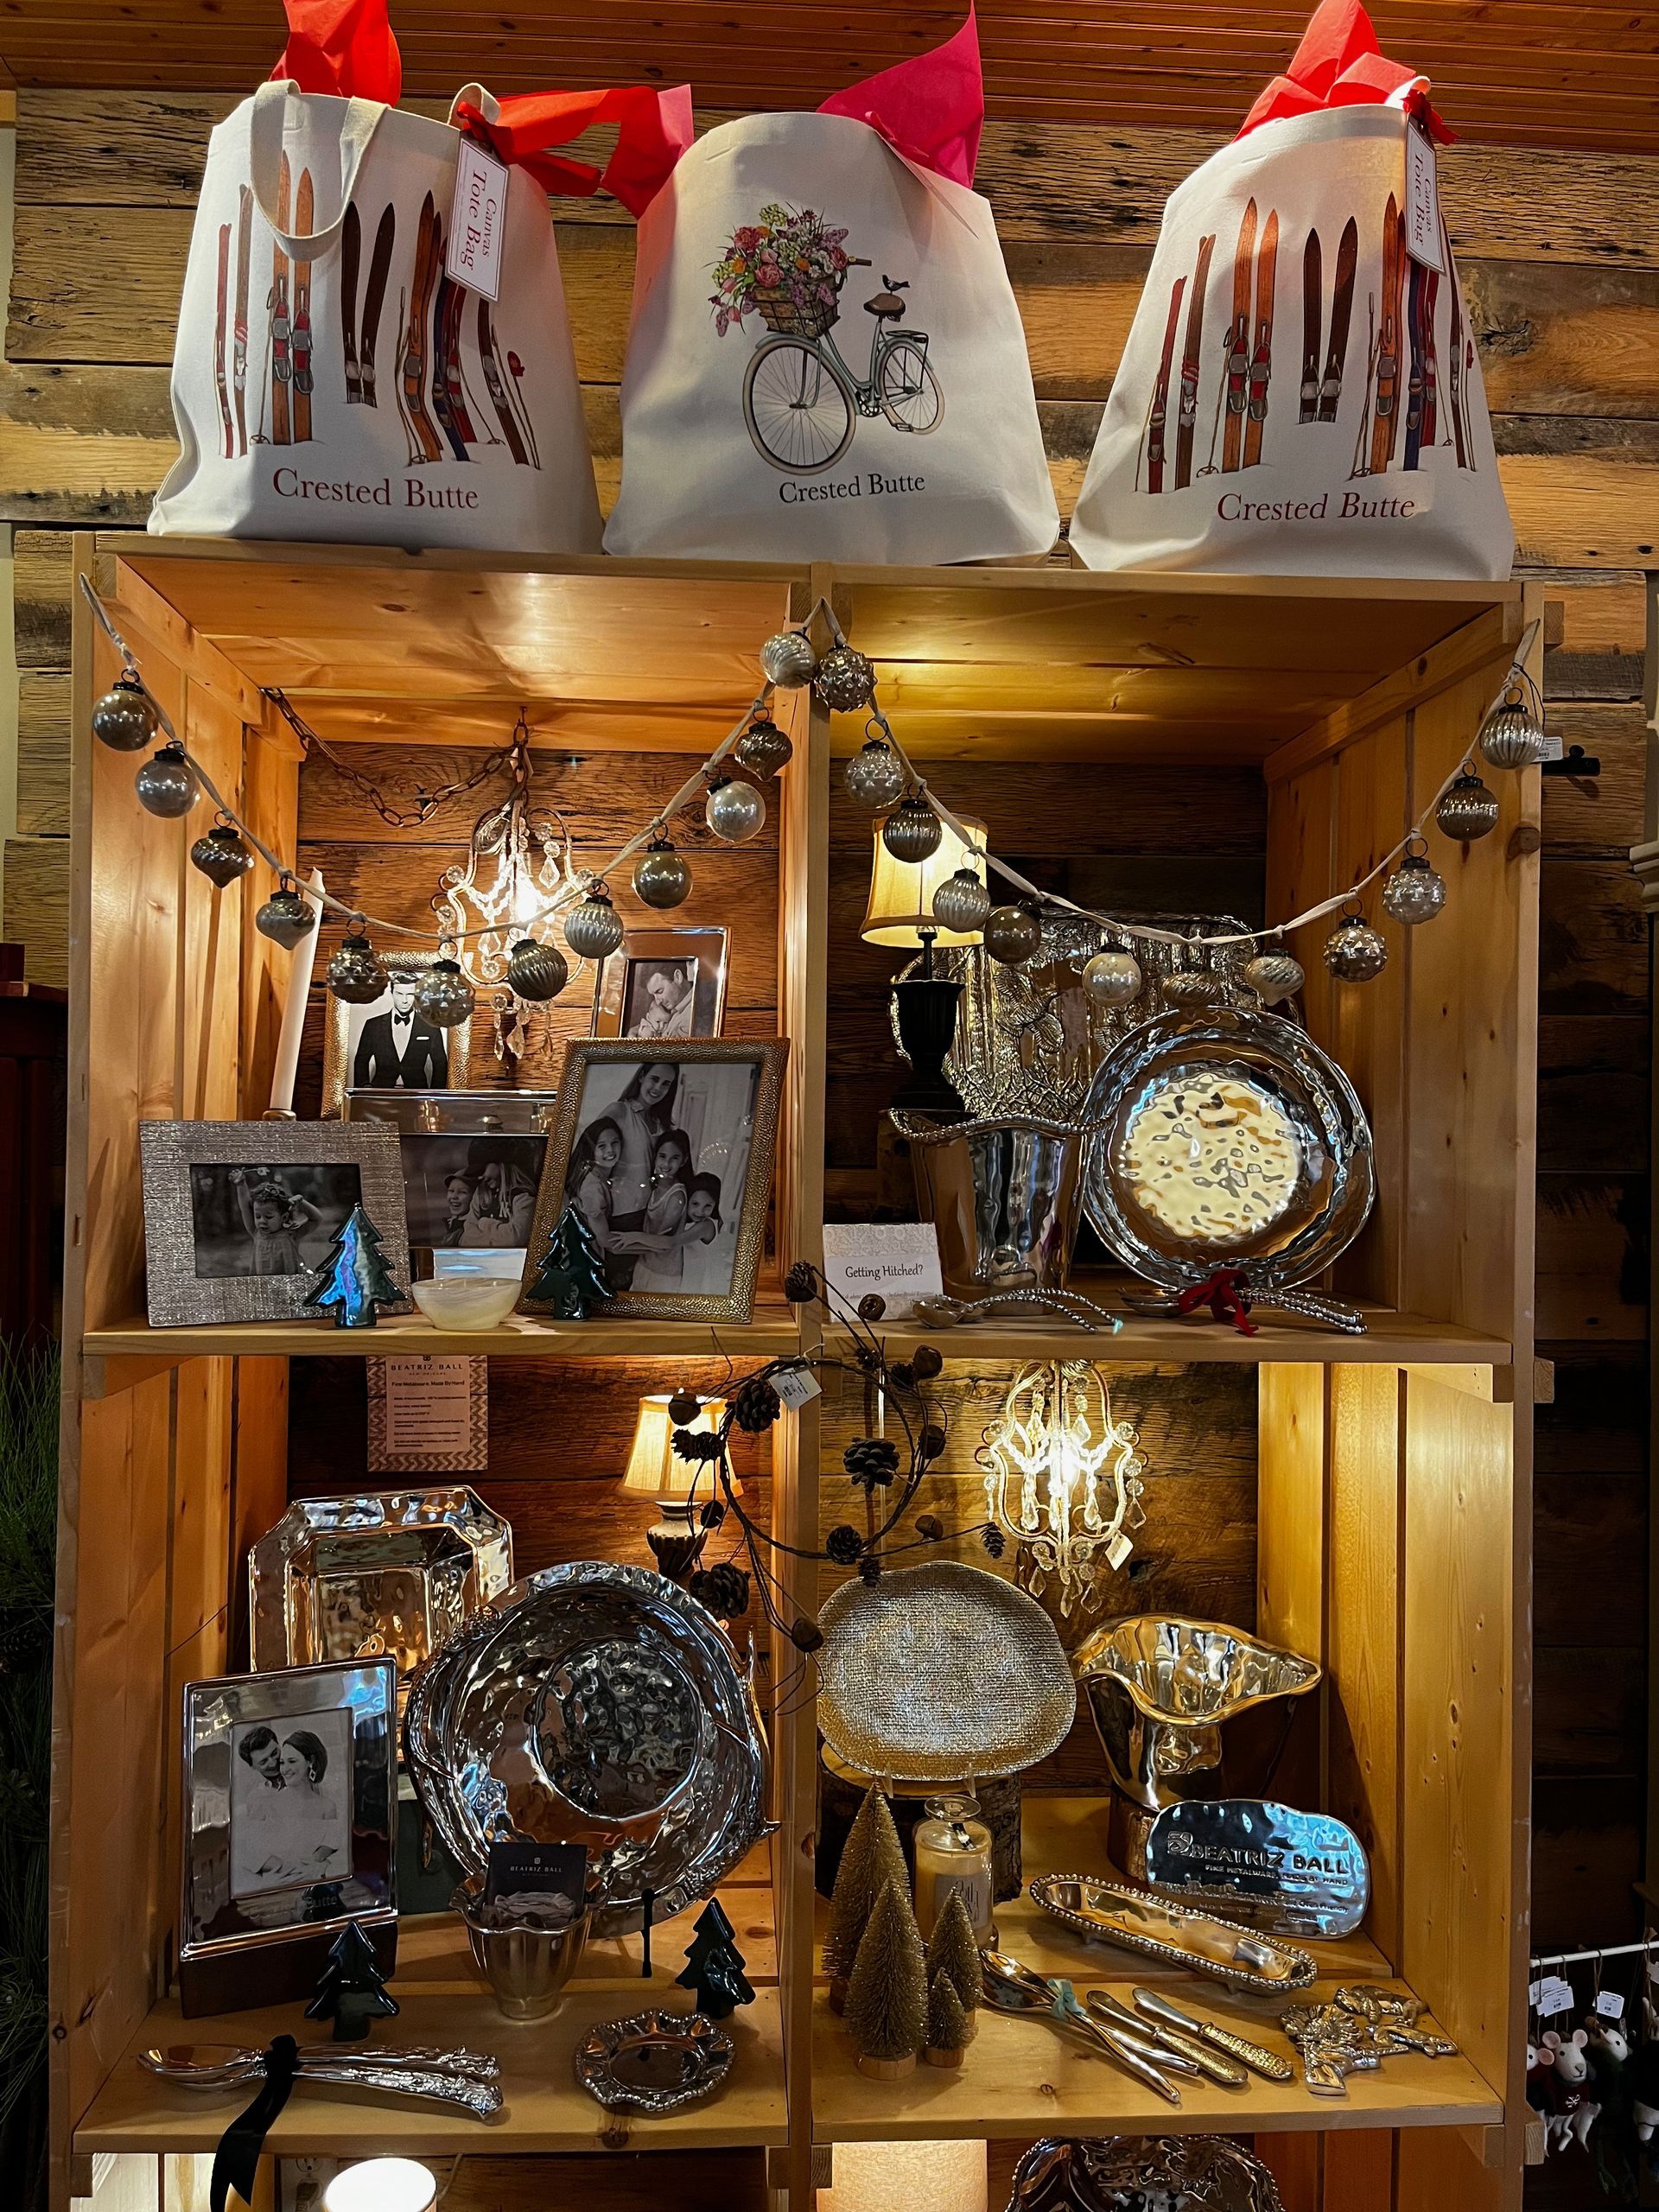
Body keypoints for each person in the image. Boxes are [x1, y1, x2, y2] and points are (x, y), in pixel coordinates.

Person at [615, 1166, 722, 1294]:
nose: (700, 1211)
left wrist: (635, 1236)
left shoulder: (707, 1226)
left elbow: (672, 1242)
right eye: (695, 1204)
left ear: (715, 1205)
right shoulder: (688, 1222)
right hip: (684, 1280)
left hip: (695, 1286)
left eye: (708, 1206)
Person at [612, 1128, 694, 1291]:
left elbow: (660, 1243)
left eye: (674, 1158)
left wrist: (623, 1244)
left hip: (664, 1274)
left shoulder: (676, 1196)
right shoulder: (654, 1186)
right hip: (644, 1265)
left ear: (683, 1161)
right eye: (662, 1157)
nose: (666, 1164)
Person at [353, 972, 449, 1090]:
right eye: (399, 994)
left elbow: (440, 1063)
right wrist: (364, 1089)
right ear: (392, 993)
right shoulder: (373, 1025)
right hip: (380, 1094)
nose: (404, 1000)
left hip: (417, 1095)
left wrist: (435, 1095)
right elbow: (361, 1060)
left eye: (410, 994)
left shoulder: (430, 1026)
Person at [229, 1169, 323, 1276]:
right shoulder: (256, 1233)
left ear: (284, 1218)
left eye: (269, 1216)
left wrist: (301, 1203)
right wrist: (240, 1184)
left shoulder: (291, 1234)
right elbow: (245, 1207)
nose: (262, 1221)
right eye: (258, 1216)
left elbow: (316, 1219)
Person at [461, 1140, 537, 1248]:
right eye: (476, 1173)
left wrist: (484, 1223)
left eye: (482, 1170)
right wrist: (495, 1240)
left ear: (501, 1164)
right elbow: (466, 1239)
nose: (479, 1177)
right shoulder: (480, 1194)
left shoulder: (523, 1196)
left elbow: (514, 1239)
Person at [630, 963, 696, 1039]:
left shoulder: (692, 1017)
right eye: (653, 995)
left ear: (678, 977)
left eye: (660, 991)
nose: (658, 1002)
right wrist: (636, 1030)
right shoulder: (675, 1004)